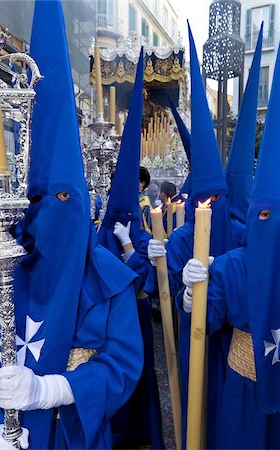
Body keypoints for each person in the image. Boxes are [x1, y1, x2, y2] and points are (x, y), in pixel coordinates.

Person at [0, 2, 143, 449]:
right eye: (38, 200)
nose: (51, 210)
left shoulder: (108, 279)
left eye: (66, 200)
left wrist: (54, 389)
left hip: (78, 435)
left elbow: (124, 364)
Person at [146, 23, 262, 449]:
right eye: (206, 196)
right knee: (200, 413)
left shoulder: (240, 232)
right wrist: (183, 292)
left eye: (220, 196)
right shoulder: (181, 241)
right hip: (199, 341)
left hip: (239, 346)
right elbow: (172, 304)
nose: (212, 204)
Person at [181, 39, 280, 450]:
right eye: (264, 216)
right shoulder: (236, 264)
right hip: (242, 388)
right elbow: (207, 315)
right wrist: (191, 295)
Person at [98, 49, 164, 450]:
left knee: (140, 374)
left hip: (137, 313)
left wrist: (132, 247)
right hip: (109, 321)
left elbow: (147, 281)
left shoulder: (137, 224)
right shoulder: (105, 226)